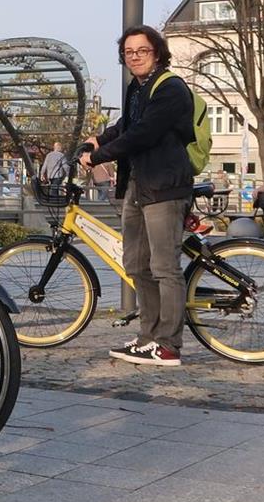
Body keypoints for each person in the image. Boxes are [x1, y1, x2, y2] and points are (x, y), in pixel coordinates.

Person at [80, 25, 194, 367]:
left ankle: (168, 344)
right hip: (138, 186)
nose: (135, 57)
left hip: (164, 186)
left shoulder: (171, 88)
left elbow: (143, 134)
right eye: (129, 52)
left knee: (164, 267)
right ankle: (148, 337)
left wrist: (99, 156)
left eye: (142, 50)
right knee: (136, 264)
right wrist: (98, 139)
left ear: (157, 52)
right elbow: (125, 126)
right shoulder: (137, 88)